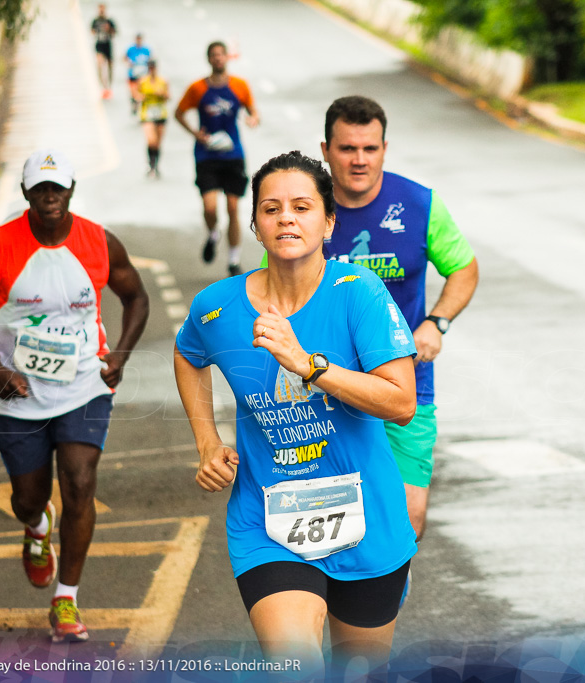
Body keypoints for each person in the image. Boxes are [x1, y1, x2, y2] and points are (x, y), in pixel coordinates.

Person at [174, 151, 417, 679]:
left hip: (367, 519)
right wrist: (207, 443)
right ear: (257, 226)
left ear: (328, 222)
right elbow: (187, 354)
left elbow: (401, 403)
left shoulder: (359, 294)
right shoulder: (216, 309)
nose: (287, 217)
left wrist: (308, 365)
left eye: (303, 206)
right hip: (269, 523)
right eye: (272, 208)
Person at [0, 149, 149, 643]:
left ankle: (66, 598)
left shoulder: (98, 242)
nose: (50, 197)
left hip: (85, 384)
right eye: (40, 189)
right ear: (26, 194)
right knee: (27, 497)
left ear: (71, 190)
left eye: (57, 188)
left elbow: (137, 297)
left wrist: (120, 356)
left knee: (81, 484)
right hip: (18, 392)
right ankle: (37, 525)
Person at [319, 96, 478, 579]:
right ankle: (341, 606)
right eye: (347, 148)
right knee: (333, 519)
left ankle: (380, 605)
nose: (359, 160)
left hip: (405, 386)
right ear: (326, 150)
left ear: (385, 148)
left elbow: (464, 269)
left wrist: (437, 322)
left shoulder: (419, 204)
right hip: (326, 388)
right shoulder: (307, 208)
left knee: (410, 515)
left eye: (370, 148)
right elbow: (271, 290)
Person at [174, 40, 260, 278]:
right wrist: (195, 133)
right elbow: (178, 113)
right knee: (210, 207)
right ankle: (213, 234)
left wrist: (253, 119)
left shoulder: (239, 86)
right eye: (214, 55)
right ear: (209, 59)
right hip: (207, 155)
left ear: (227, 58)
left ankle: (233, 261)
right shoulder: (198, 89)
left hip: (233, 155)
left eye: (221, 55)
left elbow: (253, 110)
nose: (218, 59)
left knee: (233, 208)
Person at [138, 60, 170, 178]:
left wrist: (161, 94)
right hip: (147, 114)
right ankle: (150, 164)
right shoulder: (143, 81)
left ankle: (156, 165)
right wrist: (144, 97)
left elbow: (168, 96)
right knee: (151, 140)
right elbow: (137, 95)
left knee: (158, 142)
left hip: (160, 113)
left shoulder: (163, 81)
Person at [90, 3, 117, 99]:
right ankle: (103, 86)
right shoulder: (95, 21)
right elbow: (92, 31)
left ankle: (109, 85)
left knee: (110, 66)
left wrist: (108, 29)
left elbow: (115, 33)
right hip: (99, 45)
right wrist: (98, 30)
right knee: (100, 64)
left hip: (107, 45)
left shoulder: (109, 21)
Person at [124, 33, 151, 115]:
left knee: (141, 92)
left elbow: (150, 60)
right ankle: (134, 104)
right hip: (133, 75)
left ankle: (140, 107)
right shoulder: (131, 49)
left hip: (142, 75)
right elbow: (125, 58)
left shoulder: (146, 50)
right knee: (133, 92)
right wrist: (129, 63)